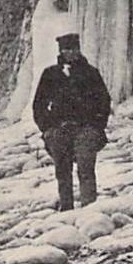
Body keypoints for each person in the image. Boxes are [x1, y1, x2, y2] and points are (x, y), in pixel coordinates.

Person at [32, 33, 112, 211]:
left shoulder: (90, 73)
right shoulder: (50, 74)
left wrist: (97, 126)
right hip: (59, 129)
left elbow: (104, 101)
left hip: (86, 129)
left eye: (74, 49)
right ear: (61, 51)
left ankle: (89, 207)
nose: (71, 53)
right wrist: (47, 128)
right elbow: (39, 105)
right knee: (62, 170)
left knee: (86, 168)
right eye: (67, 49)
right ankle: (66, 207)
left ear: (79, 50)